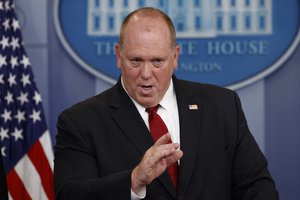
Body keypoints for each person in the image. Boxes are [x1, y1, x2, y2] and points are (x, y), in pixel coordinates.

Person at [54, 7, 278, 200]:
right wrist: (134, 181)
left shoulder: (221, 106)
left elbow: (256, 187)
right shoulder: (80, 121)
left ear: (175, 56)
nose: (146, 74)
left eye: (157, 61)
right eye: (136, 61)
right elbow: (70, 194)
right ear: (118, 56)